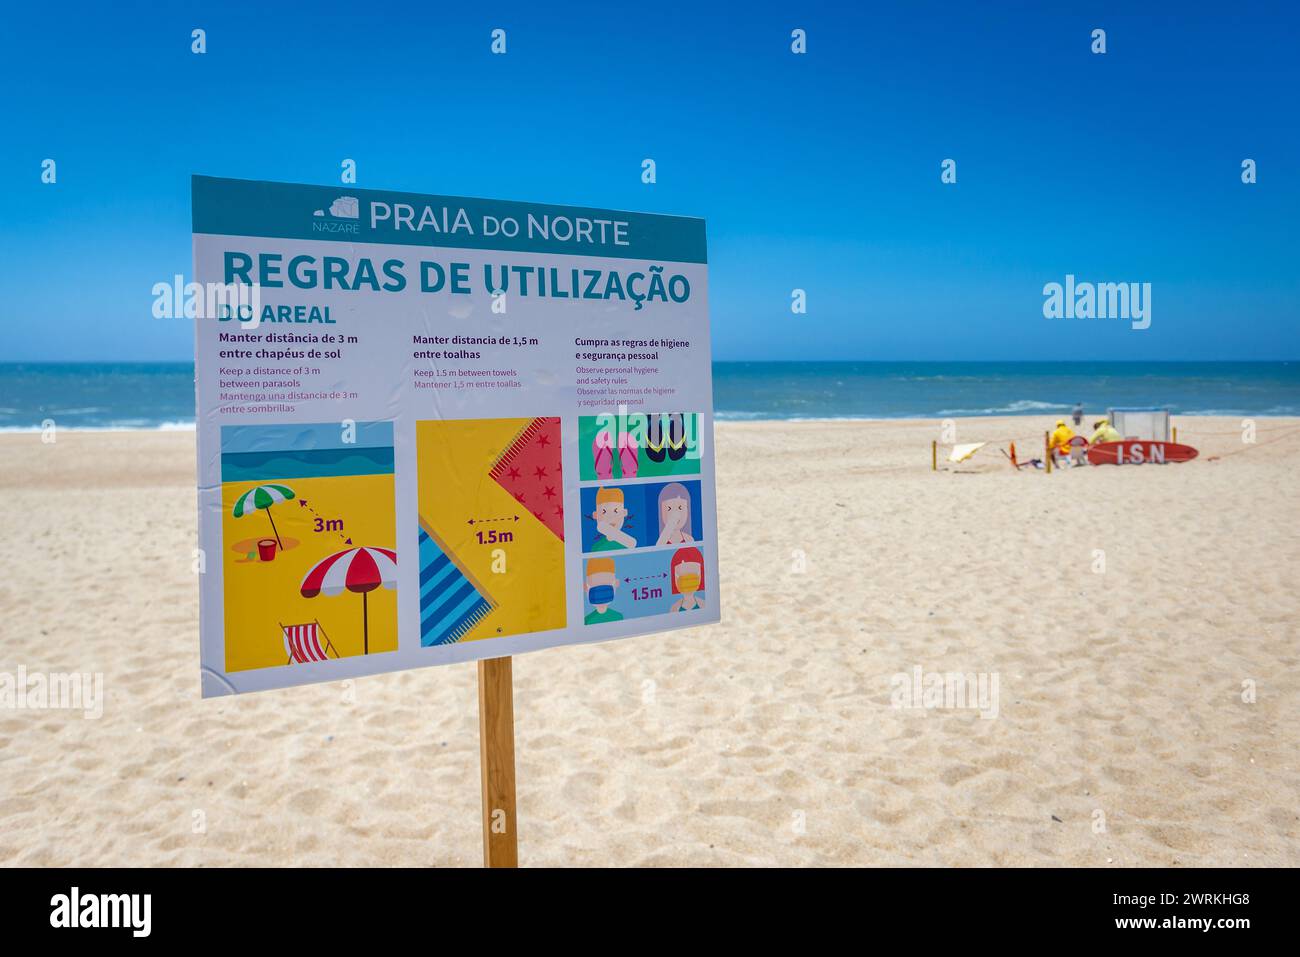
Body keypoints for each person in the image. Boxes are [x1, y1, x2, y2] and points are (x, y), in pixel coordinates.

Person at [583, 557, 623, 624]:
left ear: (616, 583)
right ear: (585, 587)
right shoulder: (587, 620)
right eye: (595, 587)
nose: (601, 594)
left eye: (606, 587)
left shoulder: (618, 617)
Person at [668, 546, 705, 612]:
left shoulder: (703, 604)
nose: (688, 581)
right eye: (682, 577)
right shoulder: (674, 608)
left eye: (693, 577)